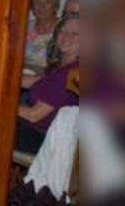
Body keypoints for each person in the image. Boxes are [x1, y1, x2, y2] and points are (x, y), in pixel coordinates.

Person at [16, 15, 79, 154]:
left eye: (75, 33)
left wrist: (2, 102)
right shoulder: (64, 68)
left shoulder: (73, 72)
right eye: (63, 31)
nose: (66, 36)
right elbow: (34, 81)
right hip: (44, 136)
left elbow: (34, 115)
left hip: (43, 140)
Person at [24, 0, 61, 72]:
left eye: (47, 3)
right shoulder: (24, 28)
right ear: (32, 7)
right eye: (38, 3)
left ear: (55, 6)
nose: (42, 7)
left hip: (50, 76)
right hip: (23, 75)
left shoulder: (63, 28)